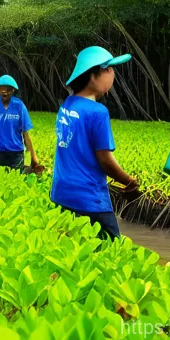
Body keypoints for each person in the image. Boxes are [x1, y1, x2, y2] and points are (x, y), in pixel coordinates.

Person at [50, 46, 140, 240]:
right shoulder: (97, 112)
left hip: (61, 193)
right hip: (88, 197)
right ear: (92, 75)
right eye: (108, 69)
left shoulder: (67, 104)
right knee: (113, 250)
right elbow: (105, 161)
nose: (112, 74)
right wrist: (129, 181)